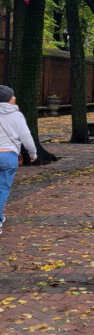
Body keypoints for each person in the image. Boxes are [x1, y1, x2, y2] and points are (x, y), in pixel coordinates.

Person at [0, 86, 37, 234]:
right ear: (9, 99)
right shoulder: (17, 115)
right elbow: (26, 136)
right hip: (9, 155)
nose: (14, 97)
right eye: (12, 95)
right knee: (2, 189)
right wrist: (32, 153)